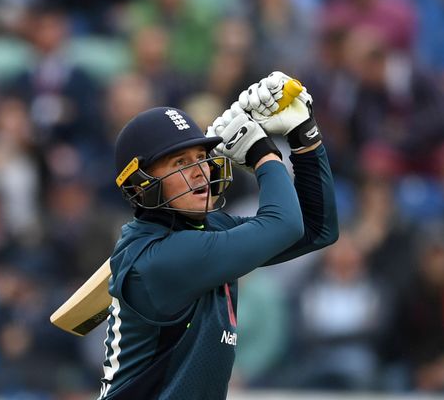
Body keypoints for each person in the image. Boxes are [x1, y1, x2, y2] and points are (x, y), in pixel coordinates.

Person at [98, 71, 339, 399]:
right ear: (141, 183)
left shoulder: (208, 230)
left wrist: (304, 138)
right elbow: (284, 225)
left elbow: (317, 229)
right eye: (180, 161)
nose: (199, 171)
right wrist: (262, 153)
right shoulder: (157, 259)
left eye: (201, 157)